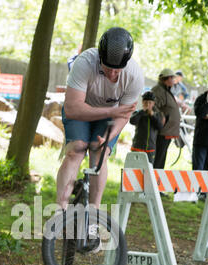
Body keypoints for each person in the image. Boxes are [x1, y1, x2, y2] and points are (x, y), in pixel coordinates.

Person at [57, 27, 144, 214]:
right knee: (76, 150)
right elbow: (73, 108)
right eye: (107, 69)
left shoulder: (135, 76)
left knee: (99, 154)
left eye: (117, 71)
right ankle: (61, 210)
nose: (112, 75)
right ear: (100, 58)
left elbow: (125, 114)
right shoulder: (85, 62)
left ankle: (94, 211)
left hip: (111, 116)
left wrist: (109, 135)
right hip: (80, 110)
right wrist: (109, 111)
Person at [151, 68, 180, 169]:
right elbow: (152, 107)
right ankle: (155, 179)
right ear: (165, 79)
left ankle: (157, 179)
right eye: (172, 78)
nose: (173, 80)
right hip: (162, 132)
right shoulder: (158, 90)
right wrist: (162, 117)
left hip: (167, 131)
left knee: (161, 158)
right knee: (158, 159)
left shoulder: (165, 90)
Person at [130, 91, 164, 163]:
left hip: (150, 149)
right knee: (135, 169)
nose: (148, 105)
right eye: (146, 102)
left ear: (153, 104)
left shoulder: (157, 115)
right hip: (137, 147)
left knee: (148, 169)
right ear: (142, 102)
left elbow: (160, 127)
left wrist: (152, 116)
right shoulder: (138, 113)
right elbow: (132, 121)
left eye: (150, 103)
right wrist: (142, 112)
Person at [192, 75, 208, 173]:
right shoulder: (201, 98)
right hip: (201, 141)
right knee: (198, 171)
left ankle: (205, 189)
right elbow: (200, 114)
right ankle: (196, 189)